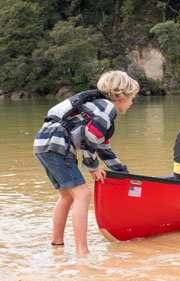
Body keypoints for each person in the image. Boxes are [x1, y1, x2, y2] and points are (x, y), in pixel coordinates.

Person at [34, 70, 139, 254]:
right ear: (122, 97)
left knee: (66, 196)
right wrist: (92, 165)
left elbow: (103, 147)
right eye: (131, 98)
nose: (131, 103)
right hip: (58, 145)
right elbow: (91, 137)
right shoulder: (107, 109)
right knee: (83, 194)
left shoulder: (94, 106)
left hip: (43, 143)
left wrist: (123, 173)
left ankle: (57, 245)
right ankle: (82, 252)